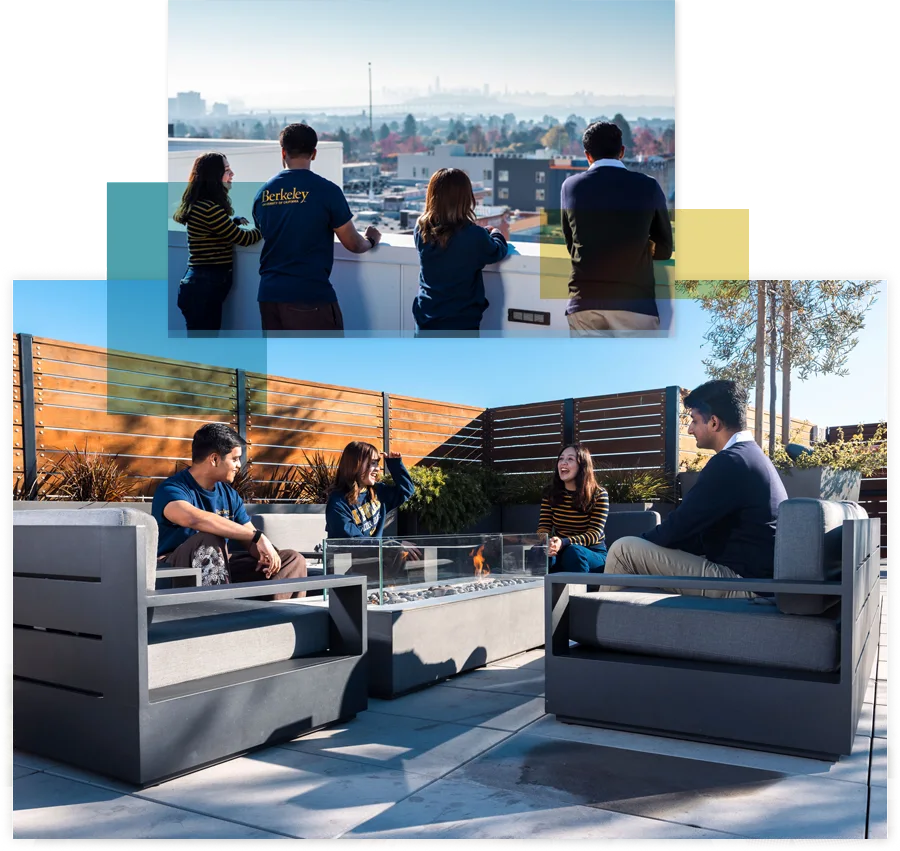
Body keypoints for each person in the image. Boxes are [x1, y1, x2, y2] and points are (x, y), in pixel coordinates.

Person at [603, 380, 788, 599]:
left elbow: (679, 526)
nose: (690, 429)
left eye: (694, 421)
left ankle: (591, 630)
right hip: (758, 582)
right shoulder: (750, 457)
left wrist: (642, 543)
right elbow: (695, 534)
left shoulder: (731, 462)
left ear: (714, 423)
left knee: (623, 550)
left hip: (746, 586)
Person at [152, 423, 308, 600]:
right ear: (214, 459)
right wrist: (256, 536)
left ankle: (273, 618)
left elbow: (248, 537)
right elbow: (193, 519)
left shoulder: (229, 494)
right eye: (234, 459)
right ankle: (219, 614)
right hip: (178, 568)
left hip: (223, 565)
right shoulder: (172, 488)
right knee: (209, 539)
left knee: (293, 560)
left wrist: (265, 553)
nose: (238, 465)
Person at [252, 123, 382, 333]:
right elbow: (353, 243)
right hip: (309, 297)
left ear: (283, 152)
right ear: (314, 154)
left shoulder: (263, 194)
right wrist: (371, 240)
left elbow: (266, 231)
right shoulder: (326, 191)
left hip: (269, 296)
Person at [561, 121, 674, 336]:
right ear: (622, 151)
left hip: (584, 302)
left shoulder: (571, 187)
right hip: (635, 304)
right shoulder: (648, 186)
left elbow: (572, 244)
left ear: (587, 155)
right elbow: (664, 249)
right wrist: (640, 244)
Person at [173, 153, 262, 332]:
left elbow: (217, 229)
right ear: (214, 175)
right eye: (227, 170)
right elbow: (245, 239)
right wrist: (266, 225)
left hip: (199, 285)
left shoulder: (202, 205)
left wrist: (232, 221)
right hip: (203, 288)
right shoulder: (208, 208)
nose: (232, 174)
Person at [413, 168, 509, 334]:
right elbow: (496, 251)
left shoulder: (421, 228)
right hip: (461, 322)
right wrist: (495, 233)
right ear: (466, 199)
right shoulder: (474, 235)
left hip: (426, 317)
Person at [325, 442, 417, 585]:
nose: (377, 469)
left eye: (377, 463)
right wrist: (392, 544)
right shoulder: (337, 503)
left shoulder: (377, 491)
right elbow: (356, 543)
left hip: (380, 561)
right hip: (354, 568)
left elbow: (406, 491)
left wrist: (395, 465)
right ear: (355, 465)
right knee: (398, 551)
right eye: (372, 463)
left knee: (415, 552)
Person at [536, 444, 610, 573]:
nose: (563, 463)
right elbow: (544, 527)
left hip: (591, 553)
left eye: (570, 459)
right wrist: (548, 542)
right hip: (561, 549)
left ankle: (579, 592)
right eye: (561, 459)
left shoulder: (598, 494)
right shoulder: (550, 493)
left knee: (573, 552)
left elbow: (594, 534)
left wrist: (564, 542)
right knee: (539, 553)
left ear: (582, 466)